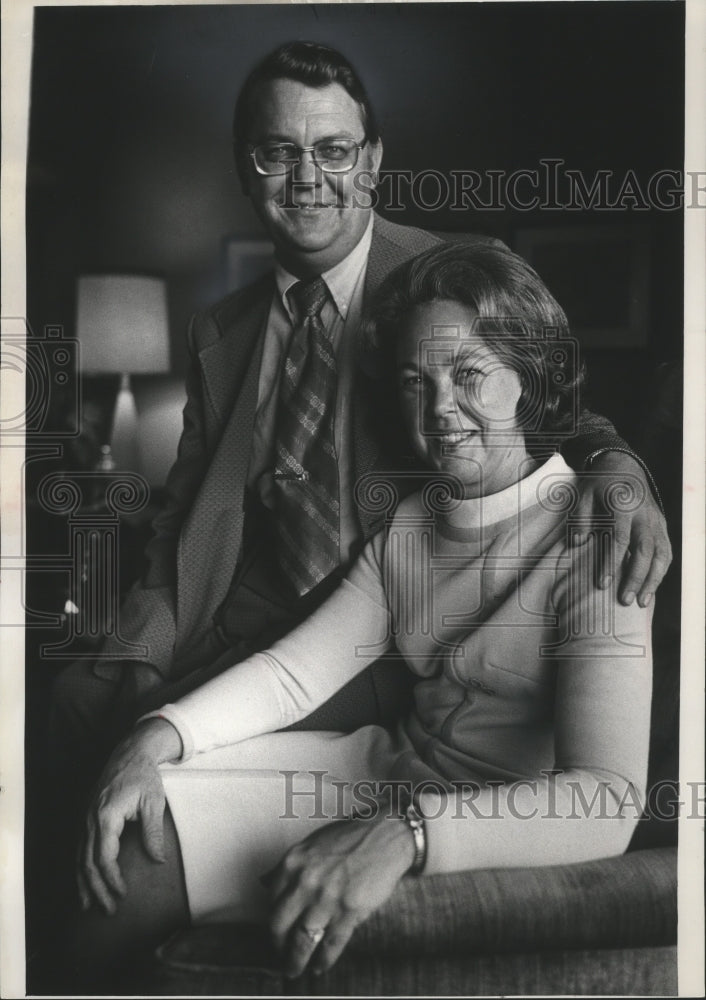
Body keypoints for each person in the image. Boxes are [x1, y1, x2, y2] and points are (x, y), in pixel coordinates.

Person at [50, 39, 669, 791]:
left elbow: (553, 408)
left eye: (334, 151)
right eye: (279, 152)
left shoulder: (440, 277)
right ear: (246, 166)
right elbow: (184, 512)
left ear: (373, 160)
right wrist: (144, 649)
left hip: (377, 628)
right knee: (77, 699)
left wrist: (618, 468)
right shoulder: (223, 327)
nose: (308, 178)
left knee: (163, 752)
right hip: (238, 604)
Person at [73, 242, 653, 986]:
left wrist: (408, 835)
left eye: (469, 374)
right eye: (416, 381)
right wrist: (156, 735)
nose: (439, 408)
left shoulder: (598, 534)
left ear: (529, 376)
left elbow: (607, 799)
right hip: (390, 773)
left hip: (495, 823)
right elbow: (292, 675)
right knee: (130, 844)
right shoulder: (412, 523)